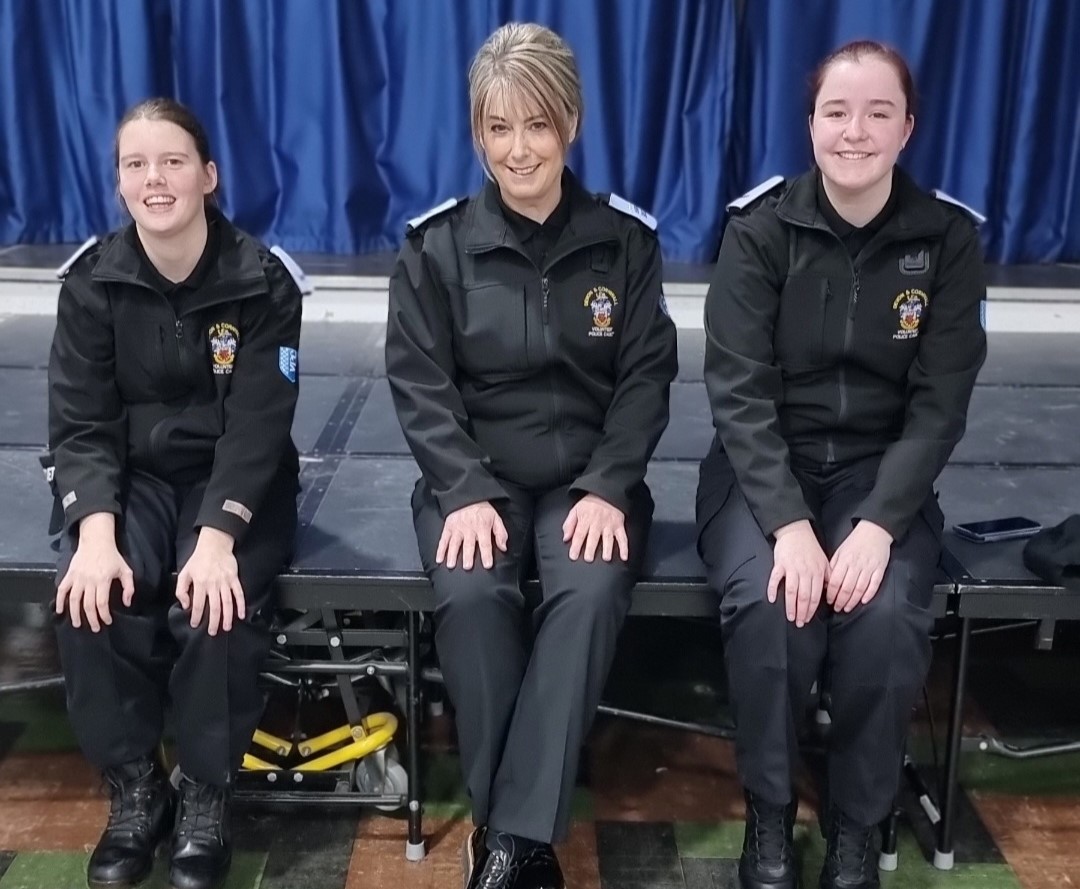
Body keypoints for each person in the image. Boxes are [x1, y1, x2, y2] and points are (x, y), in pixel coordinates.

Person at [386, 22, 677, 889]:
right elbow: (419, 377)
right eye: (498, 129)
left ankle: (505, 841)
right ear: (478, 134)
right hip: (475, 476)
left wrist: (608, 484)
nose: (518, 150)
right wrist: (463, 488)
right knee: (474, 594)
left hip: (589, 479)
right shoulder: (435, 246)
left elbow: (645, 378)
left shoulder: (624, 242)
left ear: (571, 124)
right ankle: (520, 835)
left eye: (536, 126)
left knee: (587, 593)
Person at [697, 41, 986, 889]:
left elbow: (940, 405)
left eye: (878, 113)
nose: (854, 131)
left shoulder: (947, 242)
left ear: (908, 129)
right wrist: (788, 524)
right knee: (770, 602)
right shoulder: (758, 230)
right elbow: (738, 389)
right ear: (811, 123)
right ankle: (772, 819)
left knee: (888, 610)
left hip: (880, 476)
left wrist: (877, 525)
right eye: (836, 111)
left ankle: (860, 825)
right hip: (764, 472)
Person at [47, 98, 303, 889]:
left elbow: (259, 426)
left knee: (210, 607)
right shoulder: (92, 283)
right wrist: (94, 531)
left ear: (208, 176)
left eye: (173, 162)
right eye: (136, 165)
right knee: (94, 594)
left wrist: (218, 537)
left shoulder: (261, 281)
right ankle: (135, 792)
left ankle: (204, 794)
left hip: (235, 483)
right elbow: (80, 421)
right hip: (133, 482)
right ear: (120, 182)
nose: (154, 179)